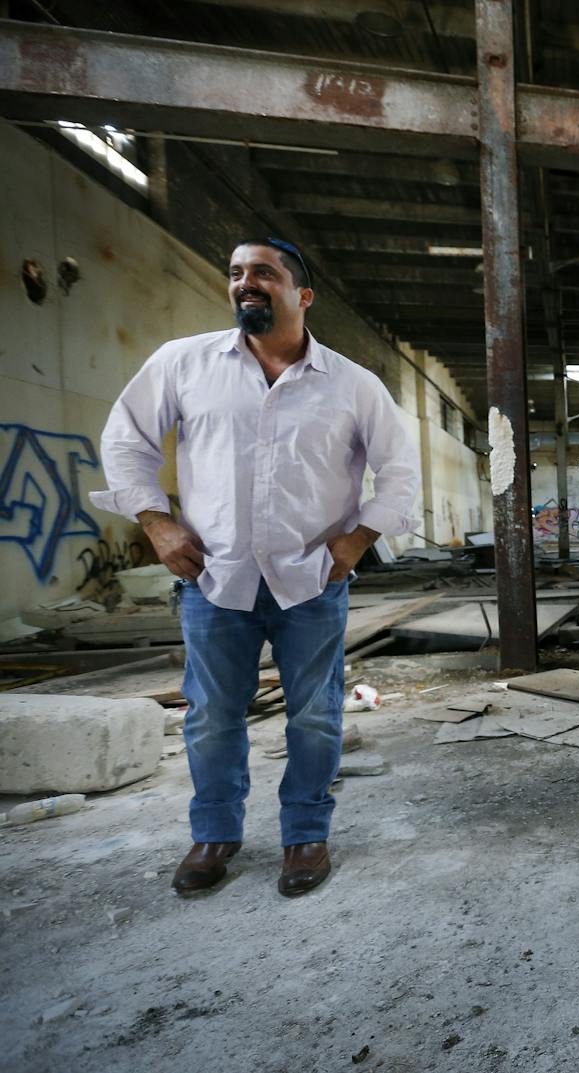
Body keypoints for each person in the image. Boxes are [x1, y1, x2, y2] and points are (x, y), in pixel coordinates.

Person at [90, 238, 420, 897]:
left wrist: (354, 543)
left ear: (303, 294)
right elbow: (125, 439)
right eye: (237, 272)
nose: (246, 282)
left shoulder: (353, 385)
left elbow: (400, 472)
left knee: (316, 713)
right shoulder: (183, 366)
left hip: (311, 582)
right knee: (212, 713)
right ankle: (214, 833)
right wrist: (156, 522)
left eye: (263, 273)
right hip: (215, 580)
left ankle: (305, 834)